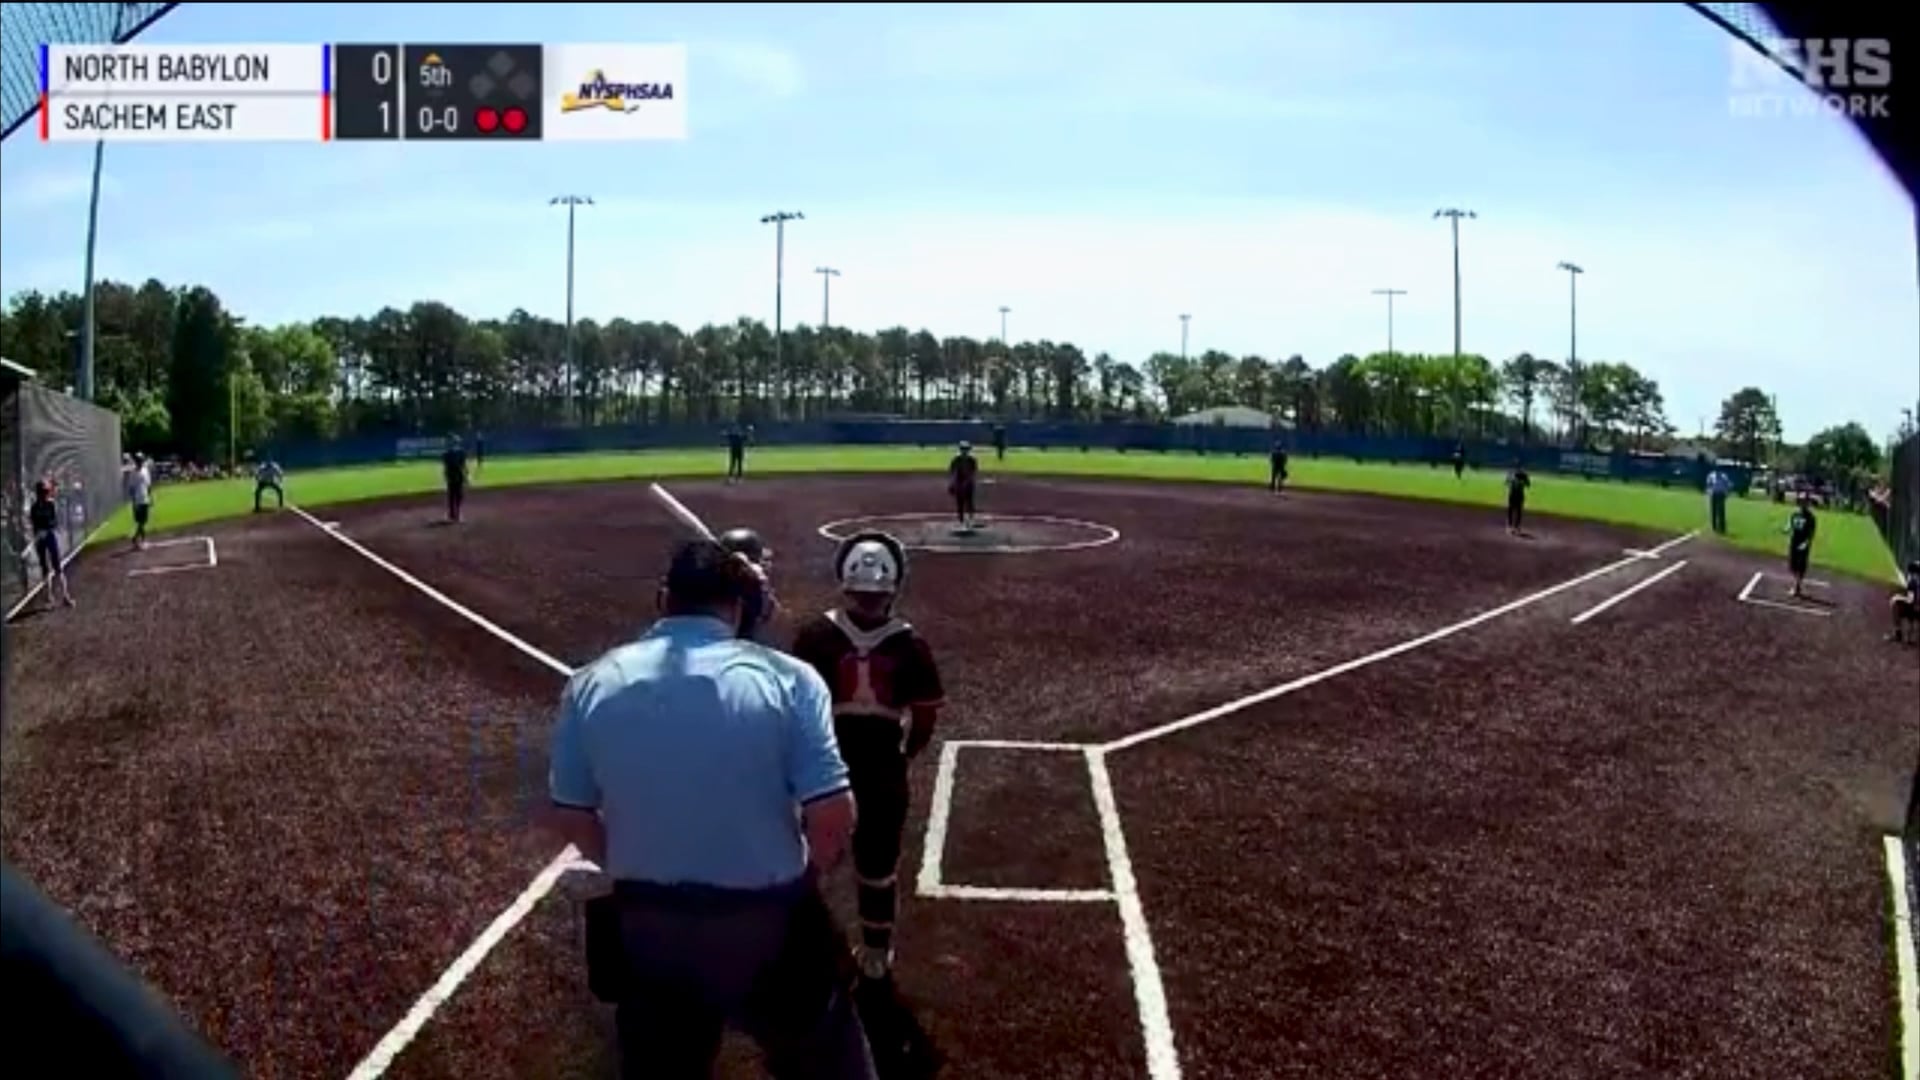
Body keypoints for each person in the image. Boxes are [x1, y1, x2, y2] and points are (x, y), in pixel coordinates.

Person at [539, 539, 877, 1080]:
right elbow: (834, 816)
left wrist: (629, 864)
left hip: (648, 926)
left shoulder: (590, 683)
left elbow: (573, 815)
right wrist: (807, 874)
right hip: (767, 921)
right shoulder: (790, 679)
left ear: (663, 599)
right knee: (827, 1058)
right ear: (740, 606)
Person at [788, 532, 945, 987]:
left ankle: (804, 942)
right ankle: (876, 953)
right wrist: (902, 756)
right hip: (879, 769)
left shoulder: (815, 636)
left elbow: (795, 709)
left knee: (806, 856)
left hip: (824, 767)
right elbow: (924, 719)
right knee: (876, 864)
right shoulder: (911, 645)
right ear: (894, 588)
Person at [28, 480, 75, 609]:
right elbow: (34, 524)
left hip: (50, 537)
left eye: (45, 492)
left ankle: (65, 596)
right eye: (42, 492)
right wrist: (38, 534)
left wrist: (46, 530)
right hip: (40, 539)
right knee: (44, 568)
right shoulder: (34, 508)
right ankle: (49, 599)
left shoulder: (50, 504)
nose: (44, 494)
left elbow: (54, 522)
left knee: (58, 567)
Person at [1785, 492, 1818, 599]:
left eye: (1805, 501)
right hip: (1793, 542)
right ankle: (1797, 585)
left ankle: (1797, 587)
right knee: (1792, 566)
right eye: (1801, 501)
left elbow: (1811, 533)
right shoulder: (1795, 514)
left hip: (1803, 544)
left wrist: (1806, 543)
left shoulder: (1811, 517)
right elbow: (1790, 524)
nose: (1802, 503)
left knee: (1800, 566)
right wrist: (1786, 529)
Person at [947, 442, 980, 530]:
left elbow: (973, 473)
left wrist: (967, 482)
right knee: (960, 503)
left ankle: (971, 519)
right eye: (963, 449)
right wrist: (952, 483)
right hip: (959, 483)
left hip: (968, 483)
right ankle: (961, 521)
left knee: (969, 502)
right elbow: (952, 472)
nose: (964, 451)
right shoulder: (956, 459)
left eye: (966, 449)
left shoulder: (972, 460)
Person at [125, 453, 153, 550]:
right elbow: (131, 489)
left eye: (141, 460)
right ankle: (142, 541)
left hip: (145, 498)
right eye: (138, 460)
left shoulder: (145, 471)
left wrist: (150, 497)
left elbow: (148, 485)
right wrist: (133, 502)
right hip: (137, 500)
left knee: (144, 521)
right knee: (140, 521)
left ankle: (135, 538)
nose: (140, 462)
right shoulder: (133, 473)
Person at [1889, 559, 1920, 645]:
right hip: (1916, 608)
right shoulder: (1915, 581)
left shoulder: (1913, 582)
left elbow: (1910, 600)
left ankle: (1898, 633)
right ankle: (1910, 636)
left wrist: (1898, 598)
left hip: (1915, 609)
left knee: (1895, 602)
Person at [441, 436, 469, 523]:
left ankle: (456, 513)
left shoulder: (459, 453)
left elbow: (464, 465)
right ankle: (453, 514)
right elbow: (446, 467)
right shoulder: (448, 453)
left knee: (456, 495)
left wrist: (467, 475)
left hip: (456, 475)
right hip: (453, 475)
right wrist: (466, 476)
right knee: (453, 495)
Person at [1504, 460, 1531, 536]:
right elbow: (1506, 482)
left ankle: (1517, 527)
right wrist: (1511, 481)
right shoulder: (1510, 473)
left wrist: (1522, 482)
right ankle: (1510, 526)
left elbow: (1528, 484)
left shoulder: (1524, 474)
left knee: (1519, 511)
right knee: (1510, 510)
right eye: (1516, 466)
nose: (1517, 468)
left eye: (1518, 466)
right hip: (1512, 494)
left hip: (1519, 495)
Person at [1705, 466, 1731, 536]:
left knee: (1721, 512)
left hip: (1721, 495)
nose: (1717, 471)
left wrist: (1726, 492)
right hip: (1713, 494)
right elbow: (1708, 485)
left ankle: (1722, 528)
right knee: (1713, 511)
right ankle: (1714, 527)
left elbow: (1727, 484)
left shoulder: (1724, 476)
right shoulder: (1711, 476)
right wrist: (1709, 492)